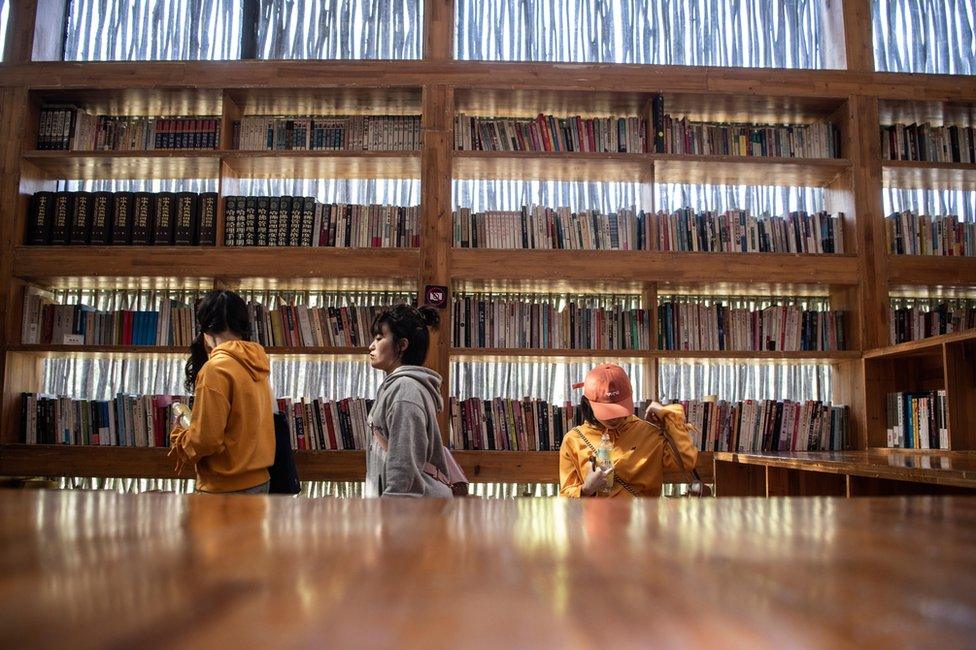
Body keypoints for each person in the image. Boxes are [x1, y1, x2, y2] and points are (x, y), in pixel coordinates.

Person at [169, 290, 275, 494]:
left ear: (206, 330)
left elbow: (206, 440)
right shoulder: (259, 361)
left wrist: (179, 437)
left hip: (225, 487)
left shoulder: (216, 369)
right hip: (260, 481)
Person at [559, 363, 698, 498]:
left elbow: (686, 462)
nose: (615, 418)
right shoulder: (573, 440)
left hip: (643, 518)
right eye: (607, 411)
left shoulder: (649, 433)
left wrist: (668, 415)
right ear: (587, 404)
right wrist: (586, 489)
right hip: (596, 519)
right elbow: (566, 497)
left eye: (620, 408)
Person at [365, 303, 453, 498]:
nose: (371, 345)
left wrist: (392, 514)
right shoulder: (398, 387)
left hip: (410, 513)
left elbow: (404, 469)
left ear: (402, 345)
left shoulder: (405, 390)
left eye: (380, 338)